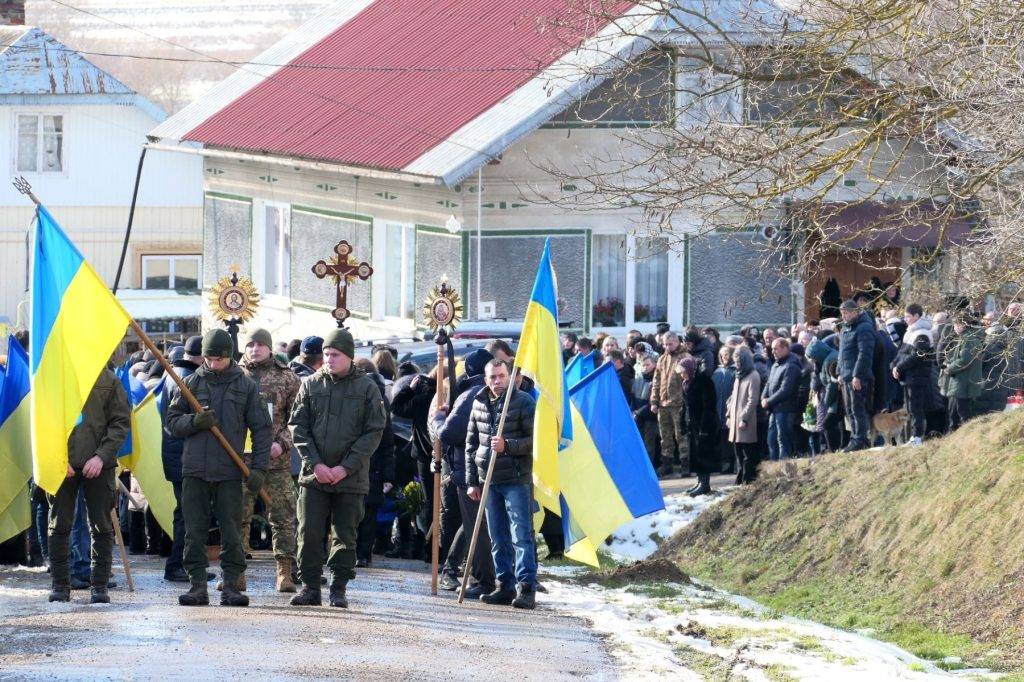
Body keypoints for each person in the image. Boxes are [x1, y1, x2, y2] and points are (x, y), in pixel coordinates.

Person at [166, 329, 272, 608]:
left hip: (229, 471)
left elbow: (262, 429)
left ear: (229, 357)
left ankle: (232, 586)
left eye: (218, 359)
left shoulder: (246, 386)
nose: (212, 364)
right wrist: (194, 423)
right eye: (209, 359)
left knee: (232, 530)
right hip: (195, 470)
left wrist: (259, 468)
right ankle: (197, 585)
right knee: (194, 530)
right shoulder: (189, 383)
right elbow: (172, 424)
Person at [289, 329, 387, 608]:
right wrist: (315, 464)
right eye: (327, 354)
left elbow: (374, 431)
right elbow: (298, 426)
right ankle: (310, 587)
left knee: (345, 534)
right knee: (308, 533)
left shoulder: (367, 388)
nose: (329, 359)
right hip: (314, 476)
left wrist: (346, 467)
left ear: (349, 357)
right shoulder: (310, 385)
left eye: (335, 355)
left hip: (350, 478)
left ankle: (339, 588)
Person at [47, 368, 130, 604]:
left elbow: (120, 422)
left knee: (101, 526)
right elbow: (44, 421)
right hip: (62, 466)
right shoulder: (54, 375)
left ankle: (100, 586)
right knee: (59, 525)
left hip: (99, 465)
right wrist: (58, 457)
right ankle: (61, 585)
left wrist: (101, 456)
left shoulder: (109, 380)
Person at [465, 359, 537, 609]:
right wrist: (472, 480)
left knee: (521, 535)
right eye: (492, 377)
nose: (497, 381)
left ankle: (526, 588)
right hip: (488, 480)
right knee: (497, 536)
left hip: (515, 478)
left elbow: (534, 441)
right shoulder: (479, 402)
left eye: (501, 376)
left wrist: (508, 446)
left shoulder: (524, 402)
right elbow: (471, 444)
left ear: (510, 377)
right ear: (485, 379)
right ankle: (504, 585)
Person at [238, 328, 301, 593]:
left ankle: (285, 573)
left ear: (270, 348)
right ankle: (236, 572)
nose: (255, 349)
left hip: (276, 463)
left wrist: (282, 443)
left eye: (260, 344)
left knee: (283, 518)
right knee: (237, 518)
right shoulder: (234, 376)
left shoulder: (287, 379)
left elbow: (298, 419)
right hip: (240, 463)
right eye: (250, 344)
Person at [431, 349, 496, 597]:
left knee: (475, 528)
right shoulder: (485, 392)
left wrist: (438, 420)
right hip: (486, 469)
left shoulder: (470, 395)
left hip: (470, 471)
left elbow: (449, 433)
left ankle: (484, 580)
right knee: (484, 527)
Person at [161, 337, 206, 583]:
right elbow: (181, 421)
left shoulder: (174, 374)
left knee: (185, 512)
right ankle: (178, 564)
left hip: (174, 453)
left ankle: (184, 564)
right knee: (189, 514)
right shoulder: (185, 380)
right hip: (183, 454)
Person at [353, 358, 395, 568]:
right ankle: (362, 554)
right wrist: (388, 475)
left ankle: (357, 552)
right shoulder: (380, 398)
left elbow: (387, 440)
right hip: (372, 465)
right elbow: (389, 442)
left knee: (358, 512)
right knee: (366, 514)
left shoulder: (367, 398)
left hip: (364, 464)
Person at [892, 304, 934, 445]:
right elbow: (901, 352)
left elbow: (918, 355)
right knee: (910, 408)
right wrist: (894, 366)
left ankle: (917, 437)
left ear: (916, 316)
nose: (905, 319)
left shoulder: (922, 333)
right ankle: (912, 437)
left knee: (916, 408)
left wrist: (900, 367)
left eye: (908, 316)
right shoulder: (911, 331)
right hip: (909, 376)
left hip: (917, 376)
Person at [838, 300, 877, 451]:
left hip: (857, 376)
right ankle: (856, 438)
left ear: (855, 312)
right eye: (842, 313)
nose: (844, 316)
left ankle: (859, 439)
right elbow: (842, 353)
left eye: (846, 313)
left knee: (857, 409)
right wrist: (839, 372)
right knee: (849, 409)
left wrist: (857, 375)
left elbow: (865, 353)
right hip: (846, 375)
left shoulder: (864, 327)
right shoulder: (845, 328)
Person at [678, 356, 718, 496]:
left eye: (683, 371)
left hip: (703, 424)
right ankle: (699, 480)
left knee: (704, 454)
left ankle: (705, 483)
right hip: (692, 424)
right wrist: (682, 422)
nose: (681, 375)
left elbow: (709, 407)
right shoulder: (686, 383)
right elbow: (685, 405)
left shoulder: (704, 381)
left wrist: (704, 427)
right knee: (694, 454)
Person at [649, 332, 687, 476]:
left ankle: (685, 464)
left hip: (679, 403)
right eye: (665, 344)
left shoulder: (685, 358)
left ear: (677, 342)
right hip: (663, 403)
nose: (667, 346)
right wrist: (654, 401)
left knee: (681, 435)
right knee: (665, 436)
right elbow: (656, 382)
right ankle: (667, 464)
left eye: (670, 344)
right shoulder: (661, 359)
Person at [940, 312, 984, 431]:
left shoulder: (969, 339)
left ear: (963, 325)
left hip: (964, 384)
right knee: (954, 416)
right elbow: (958, 357)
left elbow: (964, 360)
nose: (954, 327)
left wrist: (949, 368)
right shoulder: (966, 338)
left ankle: (967, 442)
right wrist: (947, 362)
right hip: (960, 383)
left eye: (956, 324)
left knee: (964, 417)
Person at [761, 338, 802, 461]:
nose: (773, 351)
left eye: (775, 349)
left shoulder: (791, 366)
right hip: (775, 409)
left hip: (786, 408)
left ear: (785, 348)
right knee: (772, 439)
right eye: (772, 349)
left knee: (783, 439)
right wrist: (763, 397)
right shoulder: (776, 364)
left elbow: (786, 390)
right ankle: (774, 468)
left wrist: (769, 401)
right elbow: (769, 383)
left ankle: (784, 469)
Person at [726, 346, 761, 483]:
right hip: (735, 420)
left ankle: (748, 479)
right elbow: (732, 398)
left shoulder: (753, 376)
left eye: (738, 362)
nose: (736, 365)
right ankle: (740, 477)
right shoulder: (738, 376)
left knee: (747, 453)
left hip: (745, 421)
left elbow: (753, 400)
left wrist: (744, 418)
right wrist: (729, 415)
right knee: (738, 452)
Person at [711, 346, 736, 474]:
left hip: (730, 410)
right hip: (718, 410)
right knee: (720, 437)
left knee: (729, 439)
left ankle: (730, 463)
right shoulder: (717, 372)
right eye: (722, 354)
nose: (724, 357)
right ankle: (721, 463)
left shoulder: (735, 371)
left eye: (726, 354)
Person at [632, 355, 660, 469]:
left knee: (650, 443)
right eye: (643, 365)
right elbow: (632, 396)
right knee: (640, 443)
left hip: (650, 416)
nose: (645, 367)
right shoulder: (638, 379)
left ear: (654, 365)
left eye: (648, 364)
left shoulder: (656, 379)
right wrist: (634, 411)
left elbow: (652, 401)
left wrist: (638, 412)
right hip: (638, 416)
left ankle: (651, 468)